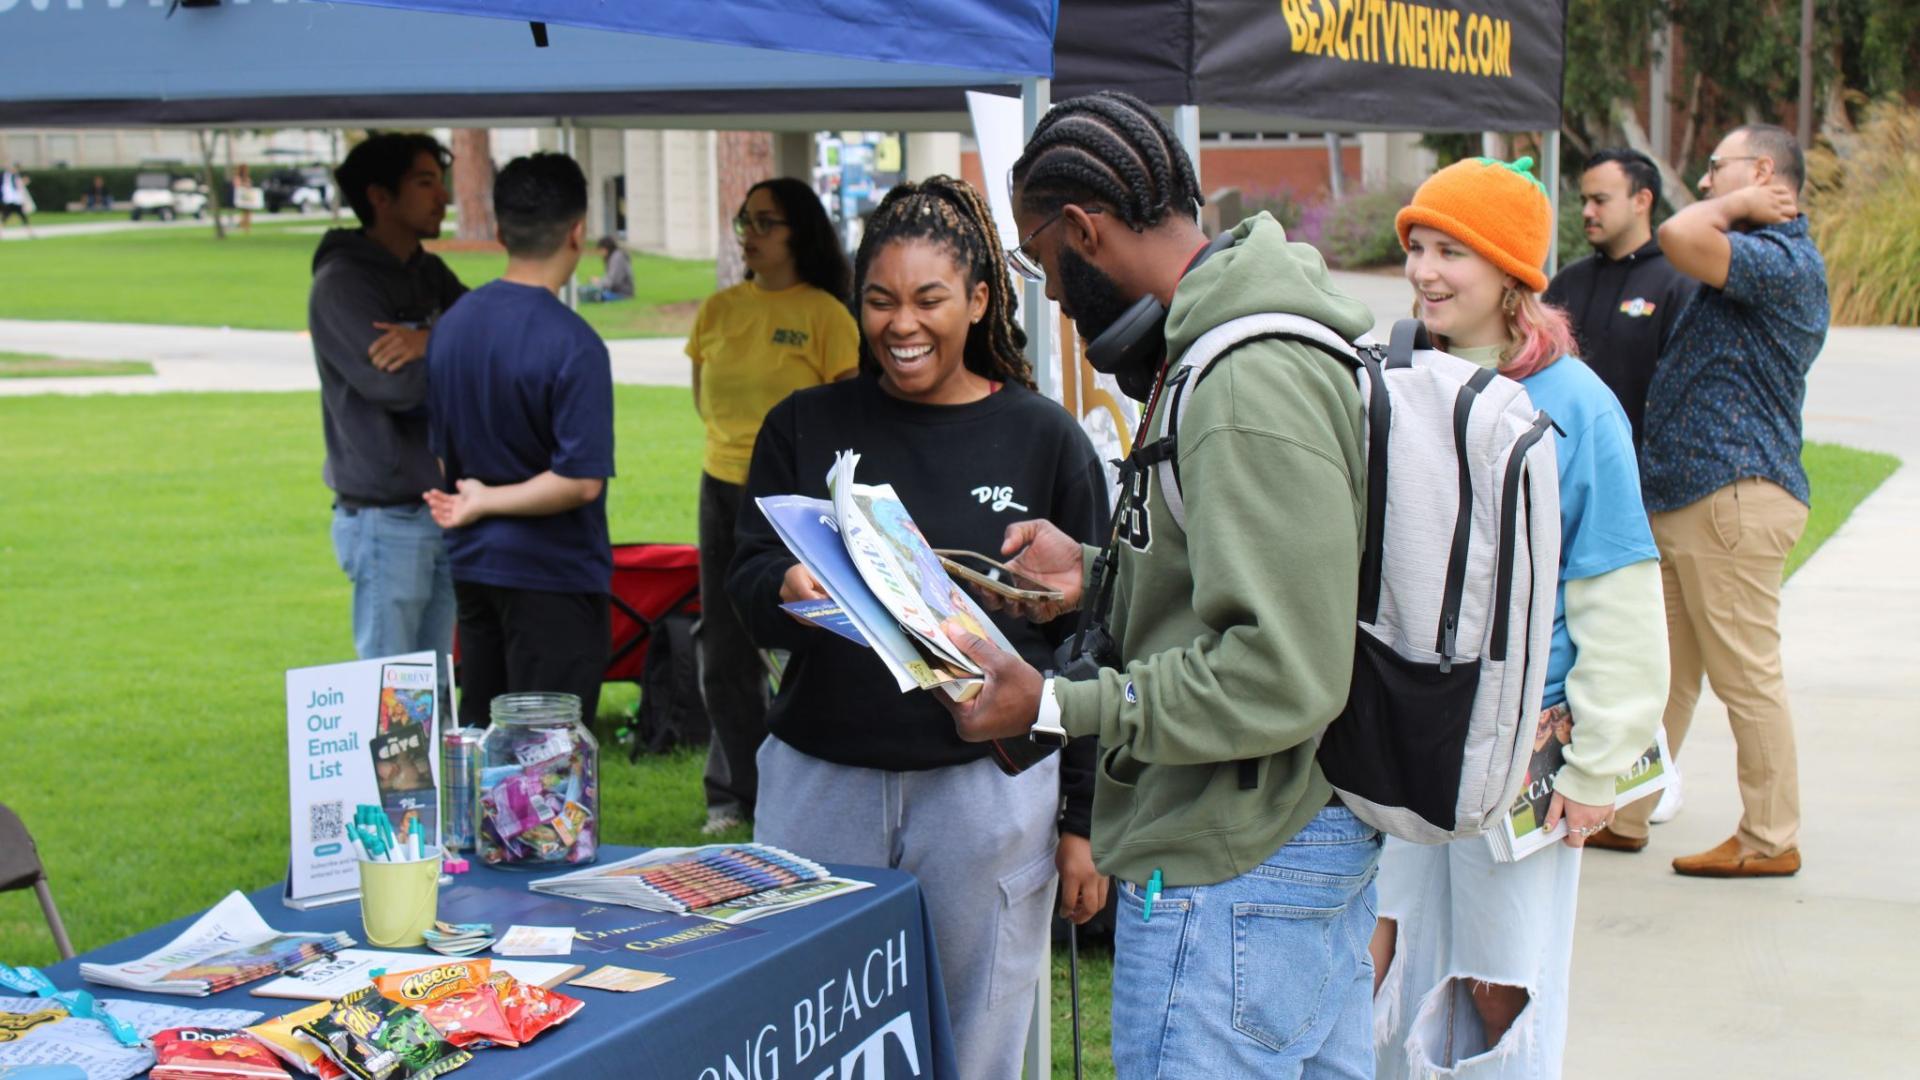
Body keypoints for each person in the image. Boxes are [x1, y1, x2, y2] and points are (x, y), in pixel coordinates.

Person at [941, 89, 1381, 1077]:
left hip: (1237, 854)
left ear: (1084, 232)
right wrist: (1100, 580)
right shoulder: (1214, 350)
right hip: (1273, 850)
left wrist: (1055, 702)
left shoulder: (1244, 378)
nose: (1043, 292)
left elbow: (1281, 670)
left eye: (1037, 260)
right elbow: (1239, 579)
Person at [726, 175, 1107, 1080]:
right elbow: (739, 588)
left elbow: (1095, 644)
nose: (904, 324)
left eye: (930, 299)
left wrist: (1083, 822)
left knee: (973, 1037)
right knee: (808, 1032)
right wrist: (793, 580)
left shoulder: (1045, 439)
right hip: (821, 782)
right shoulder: (803, 424)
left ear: (978, 300)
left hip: (984, 798)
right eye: (880, 300)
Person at [1369, 156, 1668, 1079]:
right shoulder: (1395, 376)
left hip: (1523, 750)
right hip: (1403, 736)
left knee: (1500, 979)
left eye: (1451, 251)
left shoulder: (1578, 405)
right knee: (1385, 946)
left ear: (1512, 273)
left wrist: (1597, 764)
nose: (1424, 270)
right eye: (1417, 246)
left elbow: (1615, 591)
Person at [1603, 124, 1828, 876]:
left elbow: (1674, 231)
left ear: (1764, 172)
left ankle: (1770, 838)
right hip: (1692, 497)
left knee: (1745, 675)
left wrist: (1740, 203)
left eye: (1716, 169)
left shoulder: (1782, 261)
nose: (1703, 184)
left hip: (1731, 495)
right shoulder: (1757, 261)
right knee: (1661, 677)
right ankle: (1625, 812)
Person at [687, 177, 859, 835]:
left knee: (807, 639)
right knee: (723, 647)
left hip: (796, 501)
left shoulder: (826, 314)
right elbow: (705, 399)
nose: (750, 236)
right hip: (720, 487)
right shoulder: (719, 310)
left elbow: (848, 421)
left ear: (800, 233)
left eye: (766, 223)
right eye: (745, 222)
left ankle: (811, 775)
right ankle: (735, 791)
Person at [423, 152, 615, 727]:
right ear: (578, 231)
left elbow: (440, 449)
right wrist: (488, 499)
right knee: (547, 772)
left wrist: (476, 502)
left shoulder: (452, 325)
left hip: (475, 570)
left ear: (501, 230)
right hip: (552, 576)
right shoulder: (574, 343)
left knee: (485, 747)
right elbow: (579, 481)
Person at [310, 133, 466, 676]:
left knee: (437, 683)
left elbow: (482, 335)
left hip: (441, 507)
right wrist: (447, 343)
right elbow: (397, 388)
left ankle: (430, 769)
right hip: (385, 518)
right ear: (380, 196)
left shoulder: (427, 272)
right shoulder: (342, 284)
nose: (441, 196)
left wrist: (426, 341)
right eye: (425, 183)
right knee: (390, 693)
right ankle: (381, 771)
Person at [1544, 148, 1698, 449]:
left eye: (1599, 200)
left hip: (1645, 470)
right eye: (1584, 201)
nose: (1587, 211)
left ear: (1642, 201)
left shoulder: (1678, 282)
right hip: (1564, 461)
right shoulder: (1568, 282)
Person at [580, 236, 633, 302]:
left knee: (594, 295)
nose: (600, 253)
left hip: (622, 293)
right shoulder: (613, 257)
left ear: (605, 249)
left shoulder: (616, 258)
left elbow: (613, 282)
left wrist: (598, 282)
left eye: (600, 250)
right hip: (616, 291)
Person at [0, 164, 32, 238]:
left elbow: (18, 188)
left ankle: (30, 232)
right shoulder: (5, 176)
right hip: (8, 200)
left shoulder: (15, 177)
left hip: (16, 201)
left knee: (23, 217)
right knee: (5, 217)